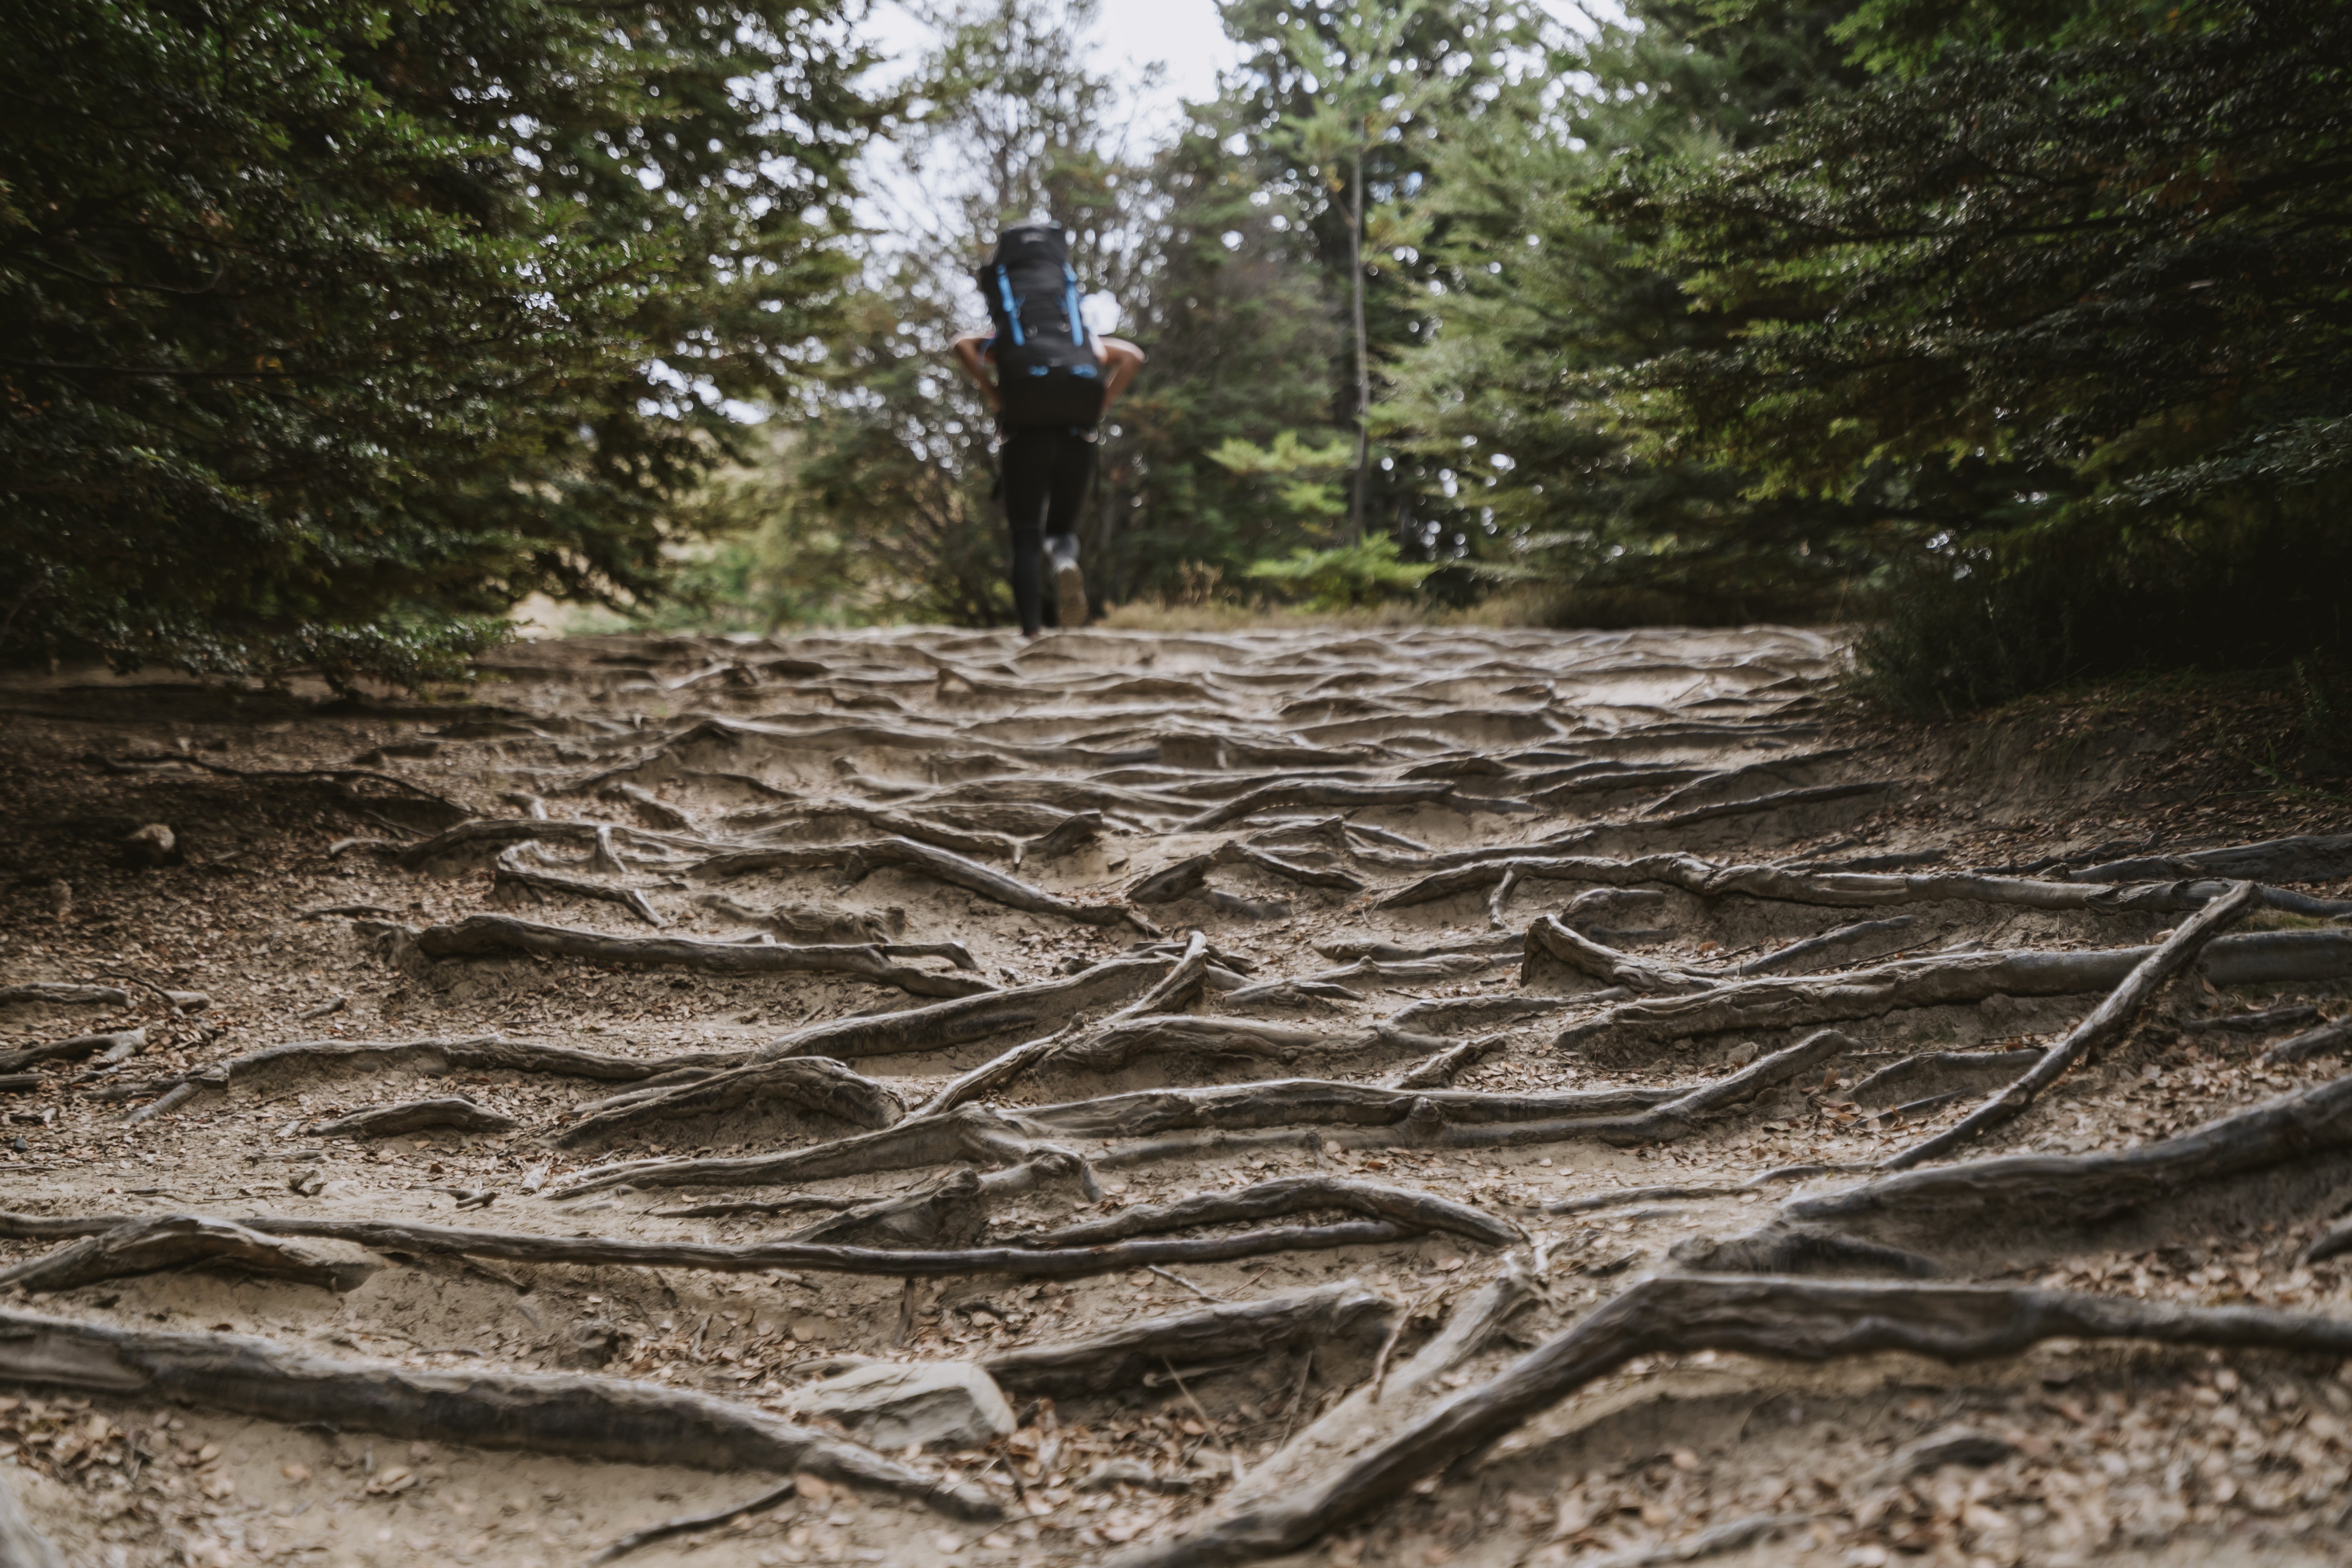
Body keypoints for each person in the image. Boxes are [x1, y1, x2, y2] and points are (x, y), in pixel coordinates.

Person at [951, 228, 1144, 637]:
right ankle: (1063, 563)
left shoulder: (1009, 339)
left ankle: (1032, 634)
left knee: (1025, 535)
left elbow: (961, 344)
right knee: (1061, 530)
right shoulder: (1084, 341)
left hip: (1024, 436)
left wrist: (994, 394)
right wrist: (1103, 403)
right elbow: (1133, 356)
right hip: (1078, 435)